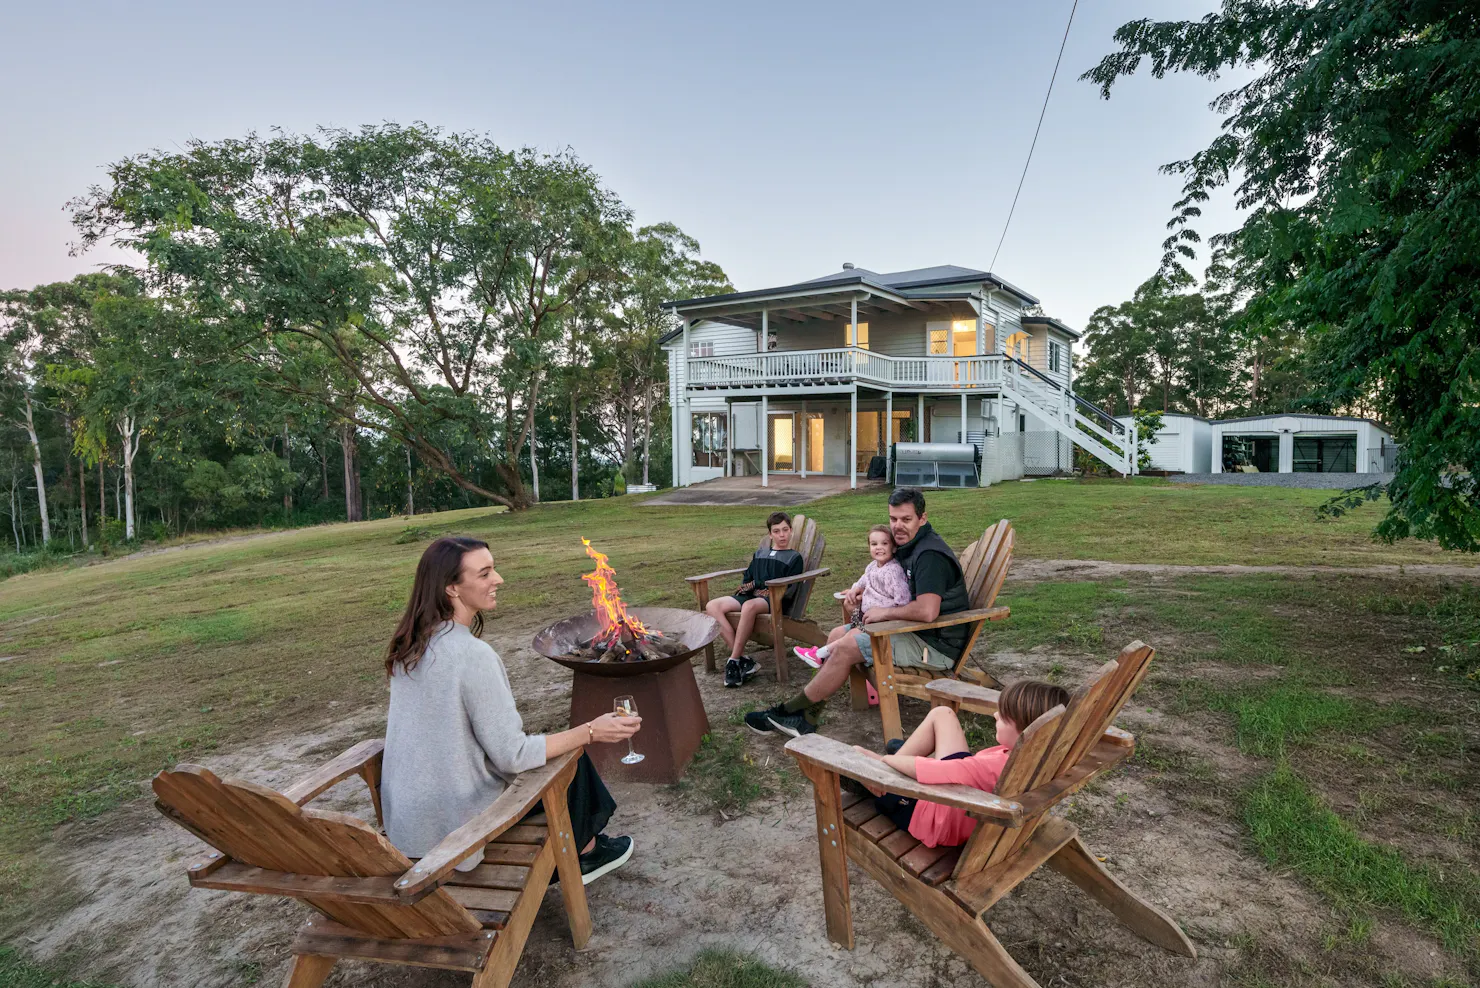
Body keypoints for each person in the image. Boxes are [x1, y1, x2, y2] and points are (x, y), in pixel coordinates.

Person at [381, 536, 641, 883]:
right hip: (453, 825)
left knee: (560, 750)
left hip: (410, 823)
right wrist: (591, 731)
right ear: (452, 589)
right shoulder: (472, 656)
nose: (498, 579)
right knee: (570, 759)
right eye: (485, 573)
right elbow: (512, 756)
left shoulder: (409, 648)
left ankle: (587, 846)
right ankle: (583, 855)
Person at [746, 487, 970, 737]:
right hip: (914, 632)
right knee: (835, 636)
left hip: (934, 646)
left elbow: (928, 610)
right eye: (893, 519)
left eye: (906, 519)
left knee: (846, 646)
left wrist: (883, 613)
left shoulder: (929, 555)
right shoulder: (910, 544)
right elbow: (896, 586)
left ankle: (789, 711)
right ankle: (807, 718)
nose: (898, 526)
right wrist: (864, 595)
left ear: (922, 518)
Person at [855, 679, 1069, 848]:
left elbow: (927, 770)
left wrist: (885, 760)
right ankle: (903, 753)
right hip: (963, 795)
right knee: (942, 714)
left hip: (929, 815)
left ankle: (884, 770)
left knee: (858, 755)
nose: (995, 715)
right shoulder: (1040, 754)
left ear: (1024, 732)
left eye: (1003, 717)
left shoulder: (991, 768)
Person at [704, 511, 805, 688]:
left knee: (749, 606)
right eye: (776, 531)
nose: (782, 535)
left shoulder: (794, 558)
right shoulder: (759, 554)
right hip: (752, 596)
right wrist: (752, 586)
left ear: (791, 531)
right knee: (712, 606)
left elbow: (790, 588)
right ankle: (743, 659)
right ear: (770, 534)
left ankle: (734, 660)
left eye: (785, 530)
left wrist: (762, 588)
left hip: (773, 600)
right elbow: (747, 579)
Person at [792, 524, 909, 670]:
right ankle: (823, 664)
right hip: (867, 616)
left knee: (852, 634)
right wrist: (855, 589)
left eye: (884, 543)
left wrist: (887, 613)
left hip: (883, 620)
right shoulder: (873, 566)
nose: (879, 547)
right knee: (838, 631)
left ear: (893, 547)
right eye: (874, 544)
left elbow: (903, 600)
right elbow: (863, 580)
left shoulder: (893, 571)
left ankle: (821, 653)